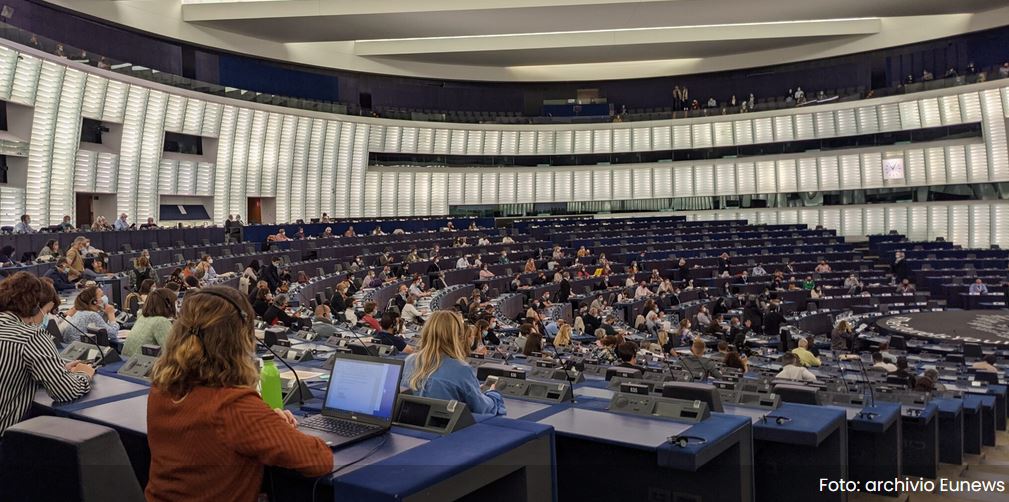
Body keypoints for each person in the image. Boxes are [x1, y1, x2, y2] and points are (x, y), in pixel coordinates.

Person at [145, 286, 332, 501]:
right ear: (240, 338)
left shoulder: (160, 389)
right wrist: (274, 427)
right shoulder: (232, 405)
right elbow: (318, 459)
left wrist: (264, 422)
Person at [0, 272, 94, 435]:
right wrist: (84, 374)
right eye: (47, 311)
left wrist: (54, 369)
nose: (46, 317)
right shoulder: (31, 336)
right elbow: (66, 391)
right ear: (35, 306)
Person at [403, 311, 505, 415]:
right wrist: (493, 394)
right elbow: (482, 408)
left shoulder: (409, 361)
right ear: (457, 336)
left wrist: (473, 389)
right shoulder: (461, 369)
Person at [122, 288, 176, 357]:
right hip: (144, 362)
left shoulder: (142, 317)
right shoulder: (161, 321)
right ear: (168, 305)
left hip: (129, 361)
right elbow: (171, 351)